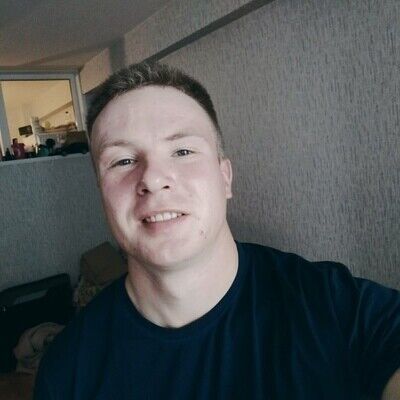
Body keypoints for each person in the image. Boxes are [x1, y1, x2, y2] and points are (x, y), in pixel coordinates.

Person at [33, 62, 400, 399]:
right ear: (102, 193)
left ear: (225, 178)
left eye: (182, 151)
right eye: (123, 160)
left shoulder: (342, 311)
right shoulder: (67, 370)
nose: (153, 178)